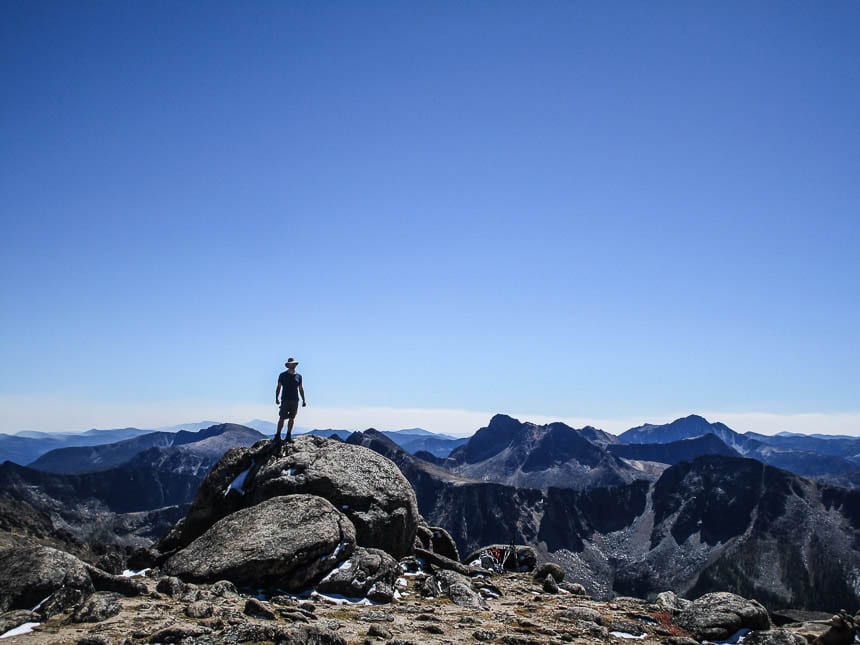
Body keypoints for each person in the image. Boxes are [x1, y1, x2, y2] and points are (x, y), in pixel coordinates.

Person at [275, 357, 306, 442]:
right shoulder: (282, 375)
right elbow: (279, 387)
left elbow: (300, 388)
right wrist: (276, 398)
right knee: (282, 417)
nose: (293, 365)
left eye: (294, 364)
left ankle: (288, 436)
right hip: (285, 399)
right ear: (288, 365)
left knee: (292, 418)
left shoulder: (299, 376)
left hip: (295, 400)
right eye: (292, 364)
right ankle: (277, 435)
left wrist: (304, 400)